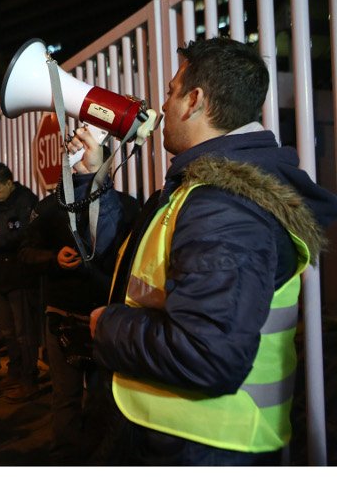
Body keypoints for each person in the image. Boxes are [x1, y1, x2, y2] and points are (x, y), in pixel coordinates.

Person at [88, 37, 337, 465]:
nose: (163, 105)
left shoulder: (224, 206)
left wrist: (107, 326)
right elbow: (130, 267)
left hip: (200, 451)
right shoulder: (208, 191)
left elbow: (207, 353)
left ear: (195, 100)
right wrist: (90, 179)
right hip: (190, 442)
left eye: (171, 91)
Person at [19, 135, 139, 464]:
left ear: (107, 163)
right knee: (66, 397)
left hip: (108, 318)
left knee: (102, 398)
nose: (78, 163)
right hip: (63, 315)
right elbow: (25, 253)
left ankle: (97, 460)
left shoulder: (127, 207)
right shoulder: (47, 207)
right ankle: (66, 460)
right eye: (73, 157)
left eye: (87, 156)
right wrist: (53, 258)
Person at [0, 163, 39, 401]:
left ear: (9, 183)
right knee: (8, 330)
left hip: (20, 274)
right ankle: (15, 371)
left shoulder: (26, 201)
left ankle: (29, 379)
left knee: (24, 331)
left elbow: (24, 233)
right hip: (0, 273)